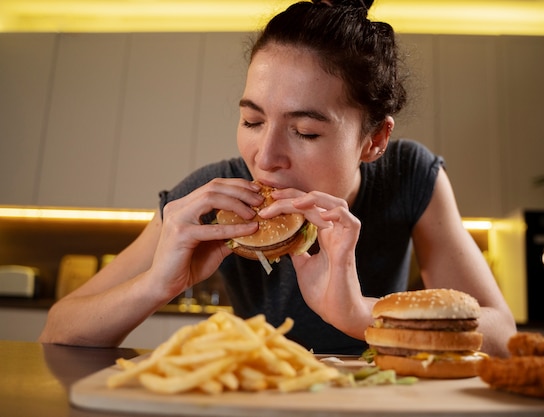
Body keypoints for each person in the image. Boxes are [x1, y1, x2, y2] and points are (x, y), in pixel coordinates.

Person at [39, 0, 516, 356]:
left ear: (373, 141)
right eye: (252, 121)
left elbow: (501, 336)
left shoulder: (410, 176)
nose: (265, 157)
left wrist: (358, 313)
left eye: (305, 131)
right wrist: (157, 285)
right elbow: (58, 329)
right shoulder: (208, 196)